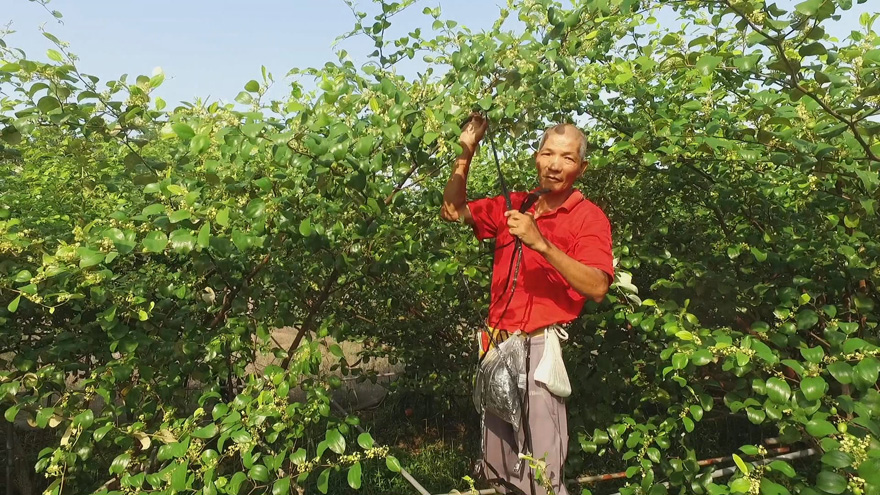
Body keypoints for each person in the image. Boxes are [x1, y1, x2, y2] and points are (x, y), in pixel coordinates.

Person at [440, 113, 614, 495]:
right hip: (497, 347)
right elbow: (452, 210)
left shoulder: (588, 217)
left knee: (541, 472)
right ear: (536, 157)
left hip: (538, 350)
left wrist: (542, 244)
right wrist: (466, 151)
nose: (555, 164)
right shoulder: (515, 204)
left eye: (567, 158)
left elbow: (598, 286)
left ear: (582, 168)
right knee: (496, 467)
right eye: (548, 153)